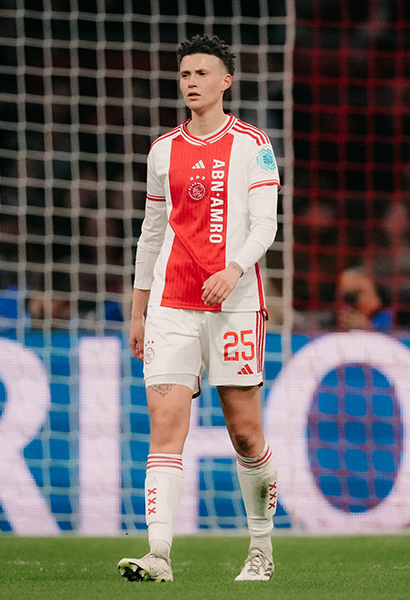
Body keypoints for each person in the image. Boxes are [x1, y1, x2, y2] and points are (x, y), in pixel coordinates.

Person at [117, 34, 280, 583]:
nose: (191, 82)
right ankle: (158, 555)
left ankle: (260, 548)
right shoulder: (163, 150)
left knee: (245, 434)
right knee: (165, 428)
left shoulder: (253, 145)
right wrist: (138, 310)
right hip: (172, 304)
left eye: (202, 73)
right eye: (185, 74)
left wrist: (234, 269)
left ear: (225, 81)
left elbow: (266, 224)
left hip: (235, 304)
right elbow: (151, 233)